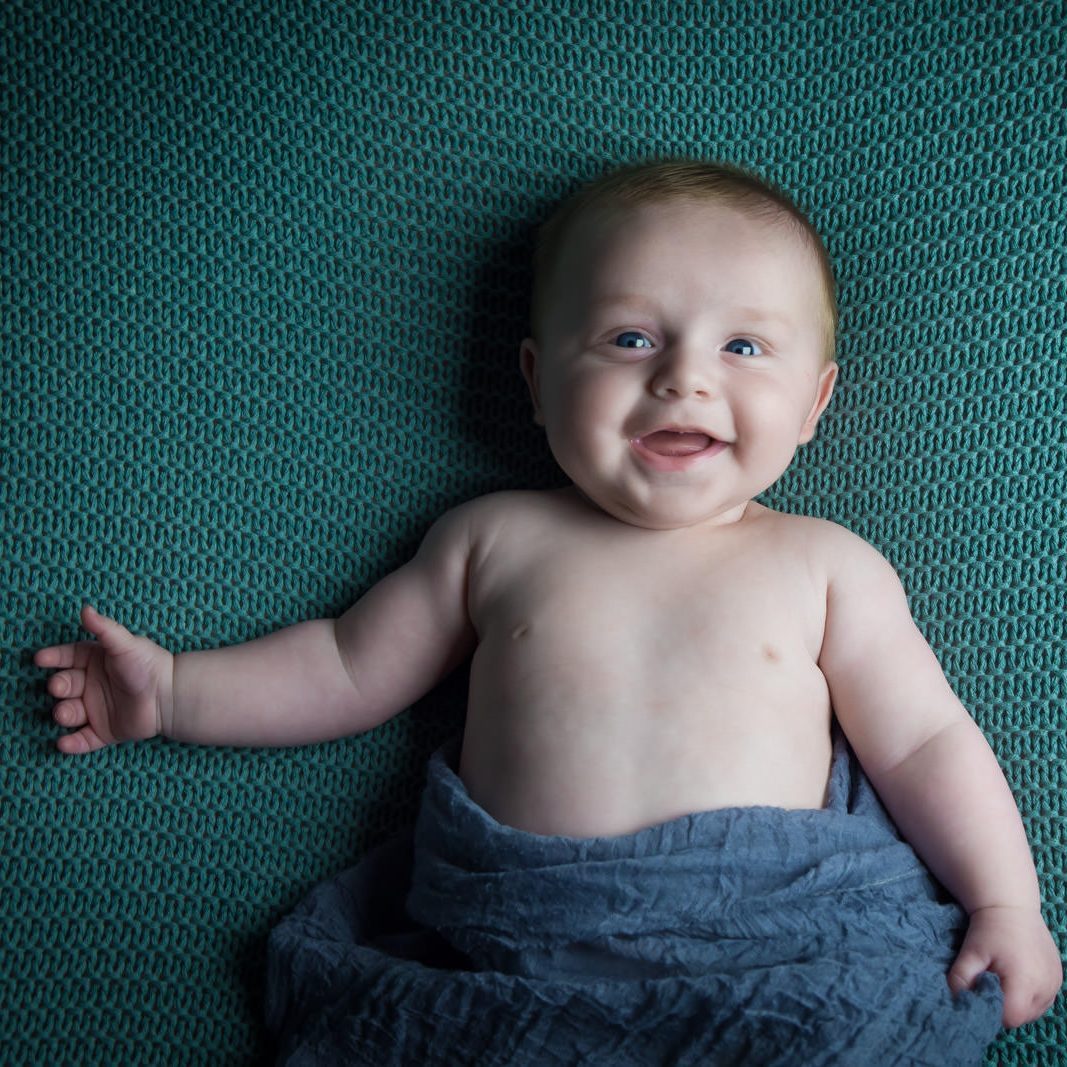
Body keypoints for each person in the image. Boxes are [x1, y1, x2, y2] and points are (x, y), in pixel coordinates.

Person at [35, 160, 1061, 1041]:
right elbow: (348, 666)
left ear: (814, 404)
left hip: (768, 953)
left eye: (742, 348)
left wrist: (1002, 899)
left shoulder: (825, 564)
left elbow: (924, 741)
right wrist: (172, 693)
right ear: (534, 378)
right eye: (627, 338)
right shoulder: (494, 538)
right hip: (521, 955)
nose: (682, 381)